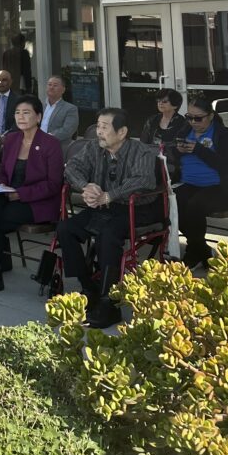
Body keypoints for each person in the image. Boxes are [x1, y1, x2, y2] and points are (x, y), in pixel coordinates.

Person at [57, 108, 157, 329]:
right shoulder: (93, 147)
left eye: (104, 127)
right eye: (98, 126)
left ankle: (108, 301)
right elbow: (72, 167)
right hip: (102, 207)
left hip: (133, 208)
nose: (99, 132)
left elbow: (144, 180)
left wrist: (110, 195)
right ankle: (88, 287)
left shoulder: (141, 151)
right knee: (65, 229)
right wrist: (86, 186)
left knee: (108, 236)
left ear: (122, 132)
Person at [0, 95, 63, 296]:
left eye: (26, 112)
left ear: (38, 117)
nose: (20, 117)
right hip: (8, 196)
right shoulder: (11, 139)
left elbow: (54, 185)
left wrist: (19, 194)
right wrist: (1, 184)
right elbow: (2, 172)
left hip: (37, 202)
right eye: (17, 112)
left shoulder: (50, 144)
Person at [174, 94, 228, 270]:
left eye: (198, 118)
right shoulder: (185, 130)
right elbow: (174, 157)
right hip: (189, 182)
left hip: (220, 186)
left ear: (210, 116)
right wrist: (178, 151)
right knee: (170, 203)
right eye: (189, 117)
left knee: (195, 205)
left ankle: (194, 252)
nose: (193, 122)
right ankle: (201, 249)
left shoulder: (223, 135)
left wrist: (198, 150)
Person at [139, 88, 187, 179]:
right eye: (158, 100)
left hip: (172, 166)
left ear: (175, 105)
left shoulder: (182, 123)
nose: (160, 103)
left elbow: (179, 148)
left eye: (164, 101)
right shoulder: (152, 120)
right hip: (151, 162)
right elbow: (143, 143)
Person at [40, 75, 79, 149]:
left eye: (55, 85)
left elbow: (68, 130)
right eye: (49, 84)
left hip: (57, 147)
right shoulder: (40, 106)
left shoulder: (70, 109)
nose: (51, 87)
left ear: (63, 90)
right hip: (36, 144)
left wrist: (46, 138)